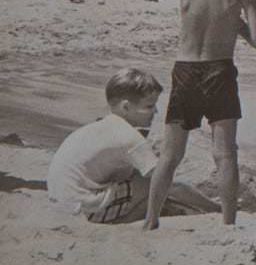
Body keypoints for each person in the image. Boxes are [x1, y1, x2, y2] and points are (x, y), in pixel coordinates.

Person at [146, 0, 256, 229]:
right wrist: (238, 24)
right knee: (225, 153)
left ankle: (150, 220)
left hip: (184, 70)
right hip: (219, 72)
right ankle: (228, 223)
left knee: (170, 155)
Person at [46, 69, 219, 224]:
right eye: (149, 106)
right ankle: (126, 220)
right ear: (126, 107)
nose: (156, 112)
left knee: (142, 180)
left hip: (61, 201)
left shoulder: (104, 125)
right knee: (156, 185)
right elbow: (170, 184)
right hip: (84, 210)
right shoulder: (129, 137)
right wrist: (216, 208)